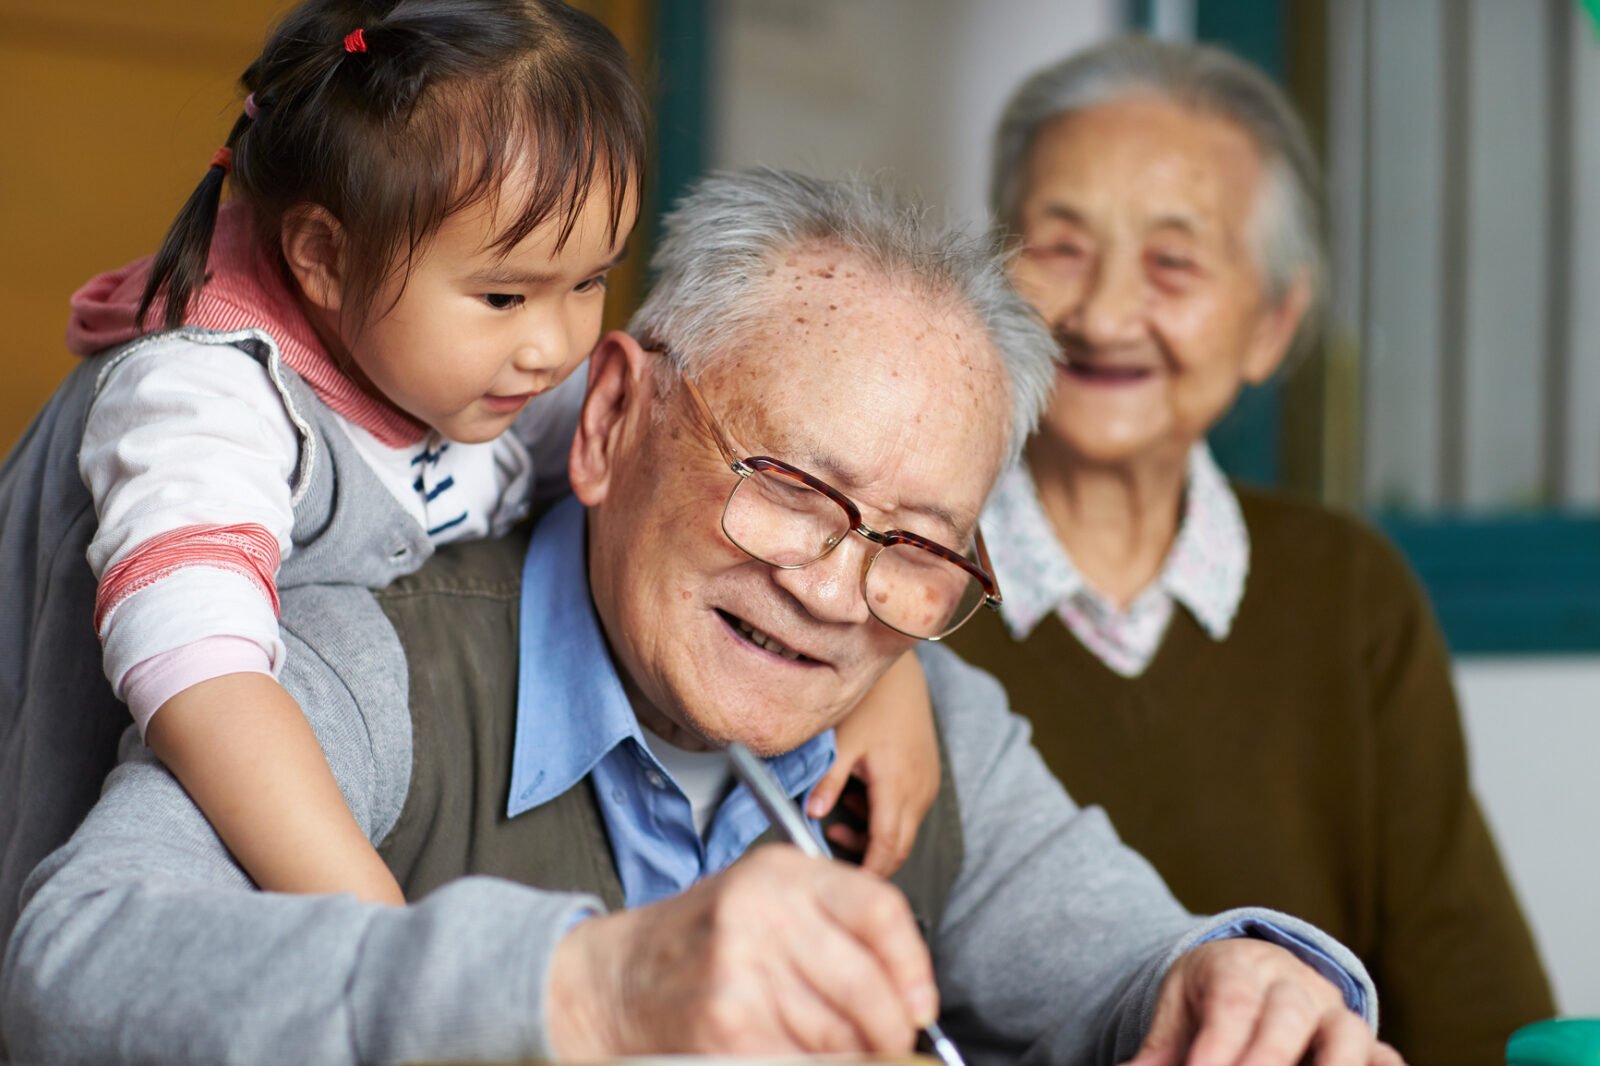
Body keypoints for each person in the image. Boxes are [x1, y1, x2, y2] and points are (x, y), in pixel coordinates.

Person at [3, 169, 1401, 1066]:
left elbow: (1128, 967)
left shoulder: (926, 719)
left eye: (916, 544)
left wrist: (1242, 977)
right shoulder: (367, 656)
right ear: (609, 418)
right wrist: (592, 994)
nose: (834, 591)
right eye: (792, 487)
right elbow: (69, 975)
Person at [0, 0, 932, 935]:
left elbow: (684, 479)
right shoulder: (202, 401)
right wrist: (382, 927)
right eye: (502, 294)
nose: (554, 344)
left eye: (590, 283)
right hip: (112, 865)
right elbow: (198, 674)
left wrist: (896, 687)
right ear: (323, 256)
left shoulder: (481, 371)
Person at [944, 37, 1554, 1065]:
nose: (1101, 313)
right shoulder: (892, 569)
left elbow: (1473, 1005)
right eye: (1059, 246)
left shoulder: (1347, 594)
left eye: (1173, 261)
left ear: (1273, 322)